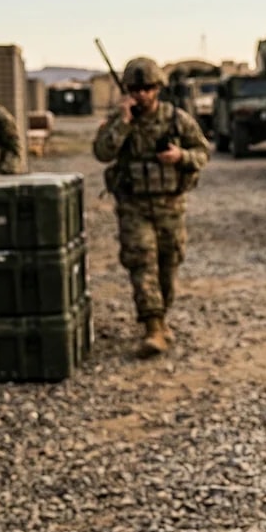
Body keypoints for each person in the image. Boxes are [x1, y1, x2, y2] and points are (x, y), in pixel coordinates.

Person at [93, 57, 209, 359]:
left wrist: (181, 156)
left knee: (168, 265)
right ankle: (153, 327)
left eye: (147, 88)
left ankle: (161, 316)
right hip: (134, 206)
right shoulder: (120, 120)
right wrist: (124, 122)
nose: (142, 94)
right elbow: (102, 152)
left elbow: (202, 152)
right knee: (142, 262)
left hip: (170, 205)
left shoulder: (176, 119)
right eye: (136, 88)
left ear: (157, 88)